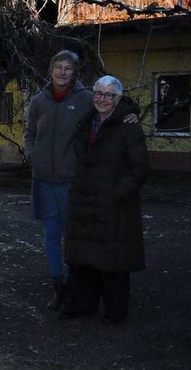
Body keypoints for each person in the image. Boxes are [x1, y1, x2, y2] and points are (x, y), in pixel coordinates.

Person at [23, 51, 138, 311]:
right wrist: (33, 156)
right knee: (51, 236)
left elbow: (114, 104)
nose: (62, 72)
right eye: (58, 67)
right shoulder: (39, 101)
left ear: (75, 74)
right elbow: (29, 133)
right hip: (42, 181)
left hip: (70, 181)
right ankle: (58, 287)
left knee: (74, 237)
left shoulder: (86, 98)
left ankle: (79, 290)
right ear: (50, 71)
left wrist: (133, 113)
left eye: (68, 69)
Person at [59, 75, 149, 324]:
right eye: (98, 93)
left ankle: (115, 312)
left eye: (109, 95)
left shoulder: (129, 126)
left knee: (113, 261)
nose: (102, 99)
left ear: (118, 98)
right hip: (85, 203)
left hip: (114, 207)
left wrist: (117, 194)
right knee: (85, 257)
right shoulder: (86, 122)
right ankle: (82, 305)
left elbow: (140, 168)